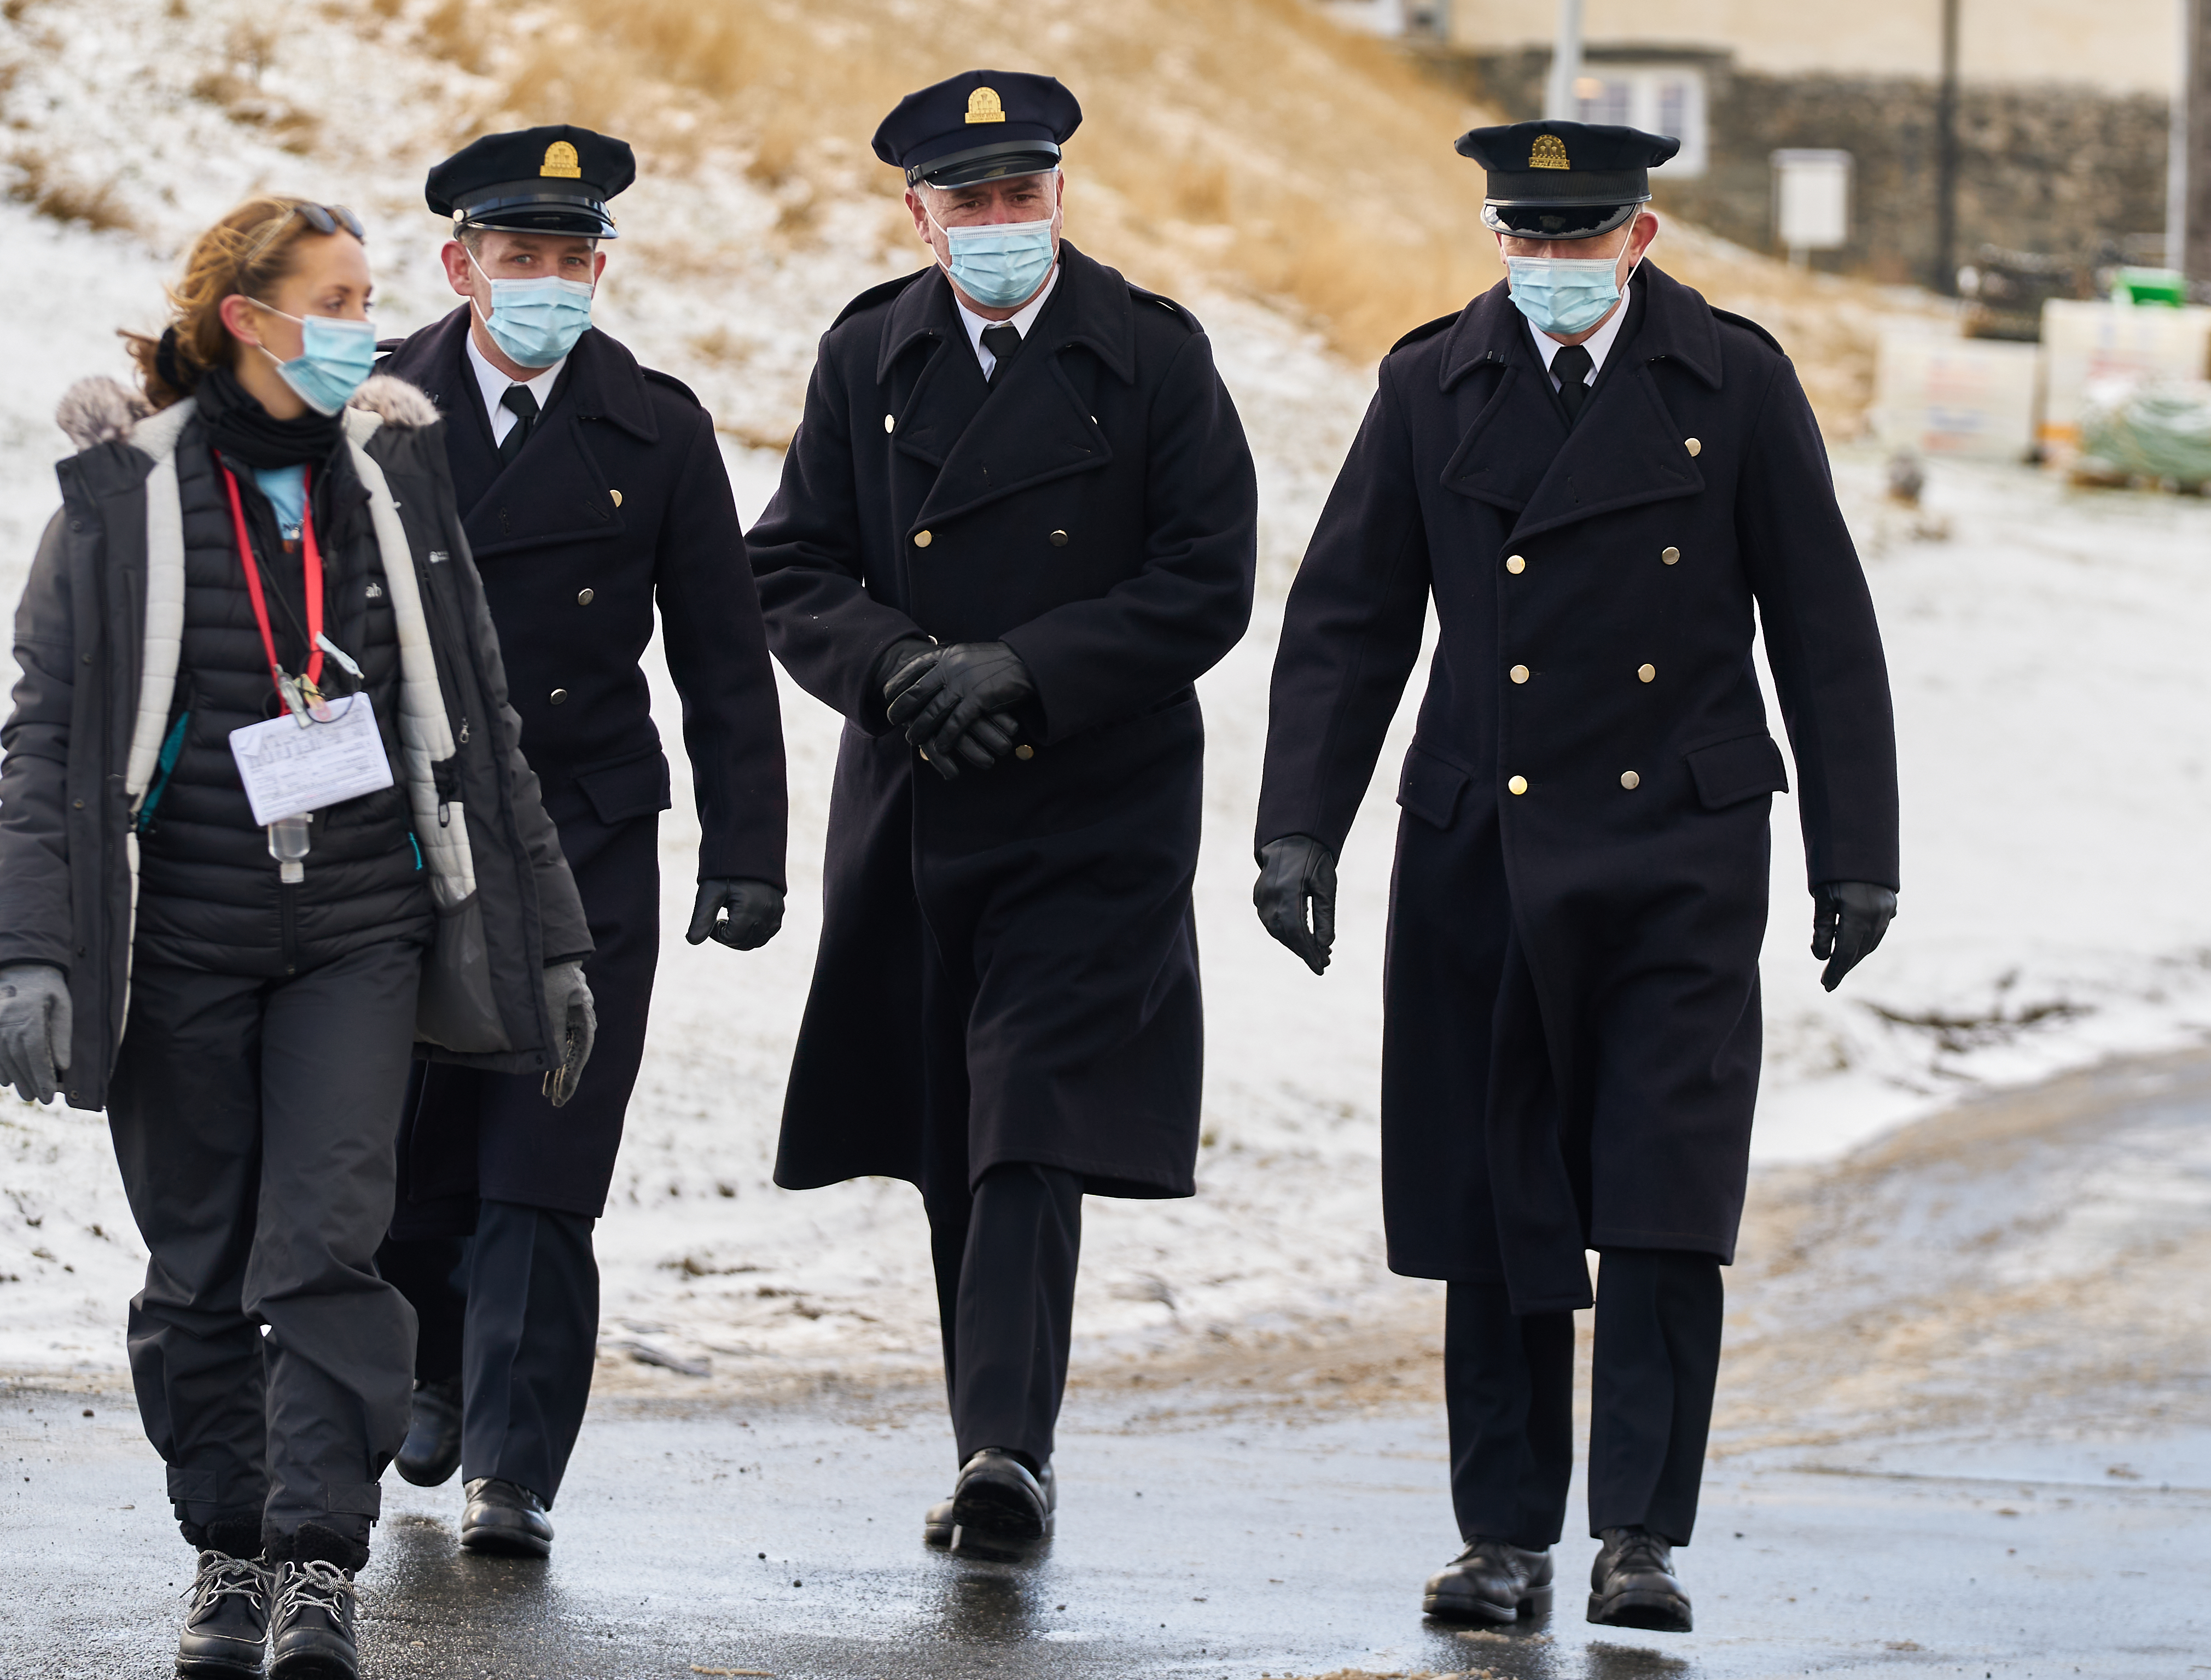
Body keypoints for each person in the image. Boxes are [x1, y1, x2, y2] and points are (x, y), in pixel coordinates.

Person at [1252, 119, 1900, 1632]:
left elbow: (1823, 624)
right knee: (1501, 1199)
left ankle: (1643, 1539)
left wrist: (1856, 856)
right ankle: (1505, 1539)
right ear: (1498, 240)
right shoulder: (1431, 383)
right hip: (1488, 846)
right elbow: (1349, 617)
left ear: (1642, 237)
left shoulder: (1736, 382)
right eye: (1523, 240)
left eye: (1577, 238)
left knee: (1666, 1199)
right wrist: (1301, 828)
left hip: (1681, 846)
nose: (1549, 266)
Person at [0, 195, 597, 1680]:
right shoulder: (120, 499)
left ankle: (317, 1564)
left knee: (327, 1249)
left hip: (358, 937)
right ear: (247, 321)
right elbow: (47, 739)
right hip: (179, 934)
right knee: (198, 1265)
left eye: (372, 299)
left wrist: (554, 941)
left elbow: (480, 725)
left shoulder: (394, 483)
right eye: (333, 301)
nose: (364, 331)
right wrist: (28, 955)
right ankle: (225, 1552)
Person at [750, 70, 1258, 1555]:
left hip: (1097, 808)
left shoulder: (1154, 353)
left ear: (1058, 197)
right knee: (951, 1121)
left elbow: (1205, 577)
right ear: (917, 215)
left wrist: (1028, 668)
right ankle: (994, 1427)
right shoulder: (868, 358)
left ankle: (1005, 1454)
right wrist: (900, 665)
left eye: (1018, 193)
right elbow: (788, 567)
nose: (996, 220)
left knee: (1030, 1106)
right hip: (921, 802)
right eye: (965, 200)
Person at [369, 126, 790, 1556]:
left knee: (548, 1153)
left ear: (601, 265)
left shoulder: (658, 428)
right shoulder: (371, 412)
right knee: (417, 1138)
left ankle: (513, 1469)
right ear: (460, 262)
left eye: (570, 256)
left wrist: (749, 849)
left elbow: (724, 659)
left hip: (591, 830)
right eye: (517, 254)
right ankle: (428, 1372)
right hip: (410, 837)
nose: (545, 279)